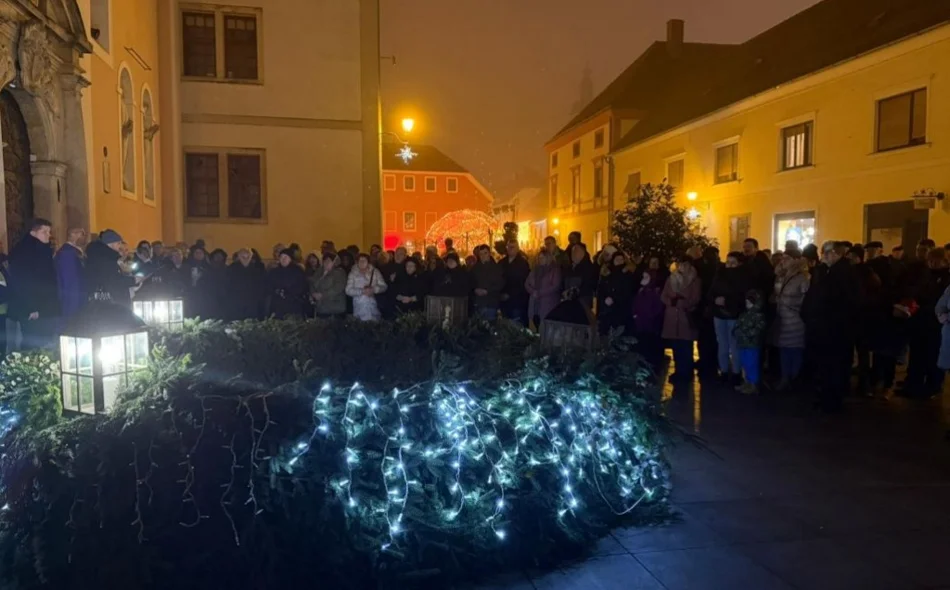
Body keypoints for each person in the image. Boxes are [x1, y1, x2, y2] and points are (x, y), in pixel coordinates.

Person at [901, 248, 950, 398]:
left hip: (935, 323)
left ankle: (932, 386)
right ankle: (913, 384)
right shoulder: (926, 275)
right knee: (917, 354)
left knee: (933, 355)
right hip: (920, 321)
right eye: (929, 260)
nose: (932, 263)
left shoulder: (946, 277)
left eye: (935, 260)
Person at [9, 219, 59, 350]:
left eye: (49, 232)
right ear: (33, 233)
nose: (48, 235)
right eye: (44, 232)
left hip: (45, 307)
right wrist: (31, 307)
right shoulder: (24, 251)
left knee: (45, 342)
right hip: (35, 309)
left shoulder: (42, 250)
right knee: (33, 344)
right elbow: (22, 281)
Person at [707, 252, 747, 385]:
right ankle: (724, 371)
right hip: (719, 314)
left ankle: (736, 372)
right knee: (722, 344)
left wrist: (727, 301)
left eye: (733, 263)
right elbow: (712, 291)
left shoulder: (743, 277)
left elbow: (743, 296)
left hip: (734, 314)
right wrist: (715, 300)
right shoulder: (720, 275)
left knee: (734, 344)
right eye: (728, 262)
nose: (729, 265)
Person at [772, 253, 810, 391]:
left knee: (795, 349)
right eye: (782, 259)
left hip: (795, 319)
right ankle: (785, 378)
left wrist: (794, 306)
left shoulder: (802, 278)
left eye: (787, 258)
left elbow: (806, 298)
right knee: (784, 349)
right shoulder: (782, 276)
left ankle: (794, 379)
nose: (783, 261)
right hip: (782, 318)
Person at [661, 258, 701, 383]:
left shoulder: (695, 280)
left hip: (685, 316)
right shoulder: (671, 279)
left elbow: (695, 298)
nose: (682, 267)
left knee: (686, 346)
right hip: (672, 316)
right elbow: (664, 296)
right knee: (676, 346)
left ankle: (686, 372)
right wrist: (671, 301)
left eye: (685, 264)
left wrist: (682, 302)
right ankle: (678, 370)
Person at [84, 229, 139, 307]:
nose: (119, 246)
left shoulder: (102, 256)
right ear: (110, 243)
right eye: (118, 243)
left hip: (103, 301)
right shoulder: (106, 258)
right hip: (109, 302)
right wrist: (134, 280)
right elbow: (113, 280)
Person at [632, 269, 666, 368]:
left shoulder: (654, 292)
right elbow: (635, 304)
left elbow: (658, 308)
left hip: (649, 324)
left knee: (649, 344)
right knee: (642, 343)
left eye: (646, 277)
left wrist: (649, 316)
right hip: (641, 322)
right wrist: (635, 314)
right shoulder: (641, 291)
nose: (643, 279)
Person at [736, 290, 767, 394]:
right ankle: (747, 382)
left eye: (749, 303)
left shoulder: (758, 316)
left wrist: (747, 334)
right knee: (745, 363)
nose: (747, 305)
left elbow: (758, 329)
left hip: (752, 344)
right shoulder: (744, 315)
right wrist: (737, 332)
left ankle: (753, 384)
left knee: (751, 363)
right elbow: (737, 325)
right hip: (743, 343)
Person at [597, 250, 635, 336]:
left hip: (620, 308)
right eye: (617, 259)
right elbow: (601, 289)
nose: (619, 262)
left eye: (621, 259)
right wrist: (605, 298)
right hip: (607, 309)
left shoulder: (627, 275)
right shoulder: (607, 273)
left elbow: (627, 291)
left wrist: (614, 298)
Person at [55, 228, 87, 322]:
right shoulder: (67, 253)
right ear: (72, 234)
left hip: (79, 295)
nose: (84, 238)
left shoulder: (77, 251)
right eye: (81, 234)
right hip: (72, 298)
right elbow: (70, 280)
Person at [525, 250, 563, 328]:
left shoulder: (554, 270)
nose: (540, 259)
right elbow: (527, 283)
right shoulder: (535, 270)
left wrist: (540, 293)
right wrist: (533, 292)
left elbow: (555, 286)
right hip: (534, 303)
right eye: (539, 258)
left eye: (542, 258)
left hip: (548, 304)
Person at [267, 248, 308, 319]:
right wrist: (277, 291)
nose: (283, 259)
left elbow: (302, 287)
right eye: (281, 257)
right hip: (278, 306)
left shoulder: (298, 271)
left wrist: (288, 292)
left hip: (294, 305)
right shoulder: (274, 272)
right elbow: (269, 286)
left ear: (290, 259)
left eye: (286, 257)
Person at [345, 253, 387, 321]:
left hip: (373, 307)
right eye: (360, 261)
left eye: (364, 261)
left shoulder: (375, 272)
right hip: (359, 307)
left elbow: (384, 286)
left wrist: (374, 290)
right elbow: (348, 290)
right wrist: (362, 291)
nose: (362, 263)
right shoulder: (353, 273)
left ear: (368, 262)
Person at [227, 248, 265, 320]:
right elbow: (228, 286)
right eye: (243, 257)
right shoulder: (231, 269)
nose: (245, 259)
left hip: (253, 303)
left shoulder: (258, 269)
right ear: (238, 257)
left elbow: (261, 286)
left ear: (251, 257)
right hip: (236, 303)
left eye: (248, 256)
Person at [499, 240, 530, 325]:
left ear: (517, 248)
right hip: (503, 301)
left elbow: (523, 282)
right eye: (508, 247)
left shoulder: (522, 263)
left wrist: (509, 294)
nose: (510, 249)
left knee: (516, 326)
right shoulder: (502, 262)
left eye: (512, 247)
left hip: (517, 301)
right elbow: (498, 279)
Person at [470, 245, 504, 321]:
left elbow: (500, 284)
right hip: (478, 303)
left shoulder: (496, 268)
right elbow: (471, 282)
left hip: (491, 303)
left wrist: (487, 291)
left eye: (485, 253)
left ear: (489, 253)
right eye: (481, 254)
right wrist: (475, 289)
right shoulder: (475, 268)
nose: (483, 256)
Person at [310, 253, 347, 318]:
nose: (326, 263)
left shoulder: (339, 272)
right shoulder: (319, 271)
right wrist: (313, 293)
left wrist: (322, 295)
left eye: (329, 261)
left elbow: (338, 288)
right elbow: (312, 283)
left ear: (334, 262)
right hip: (321, 307)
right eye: (324, 261)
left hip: (335, 307)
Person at [562, 243, 598, 311]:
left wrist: (574, 292)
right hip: (570, 300)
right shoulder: (570, 267)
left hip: (583, 300)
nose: (574, 254)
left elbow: (589, 284)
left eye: (576, 252)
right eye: (573, 252)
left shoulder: (588, 267)